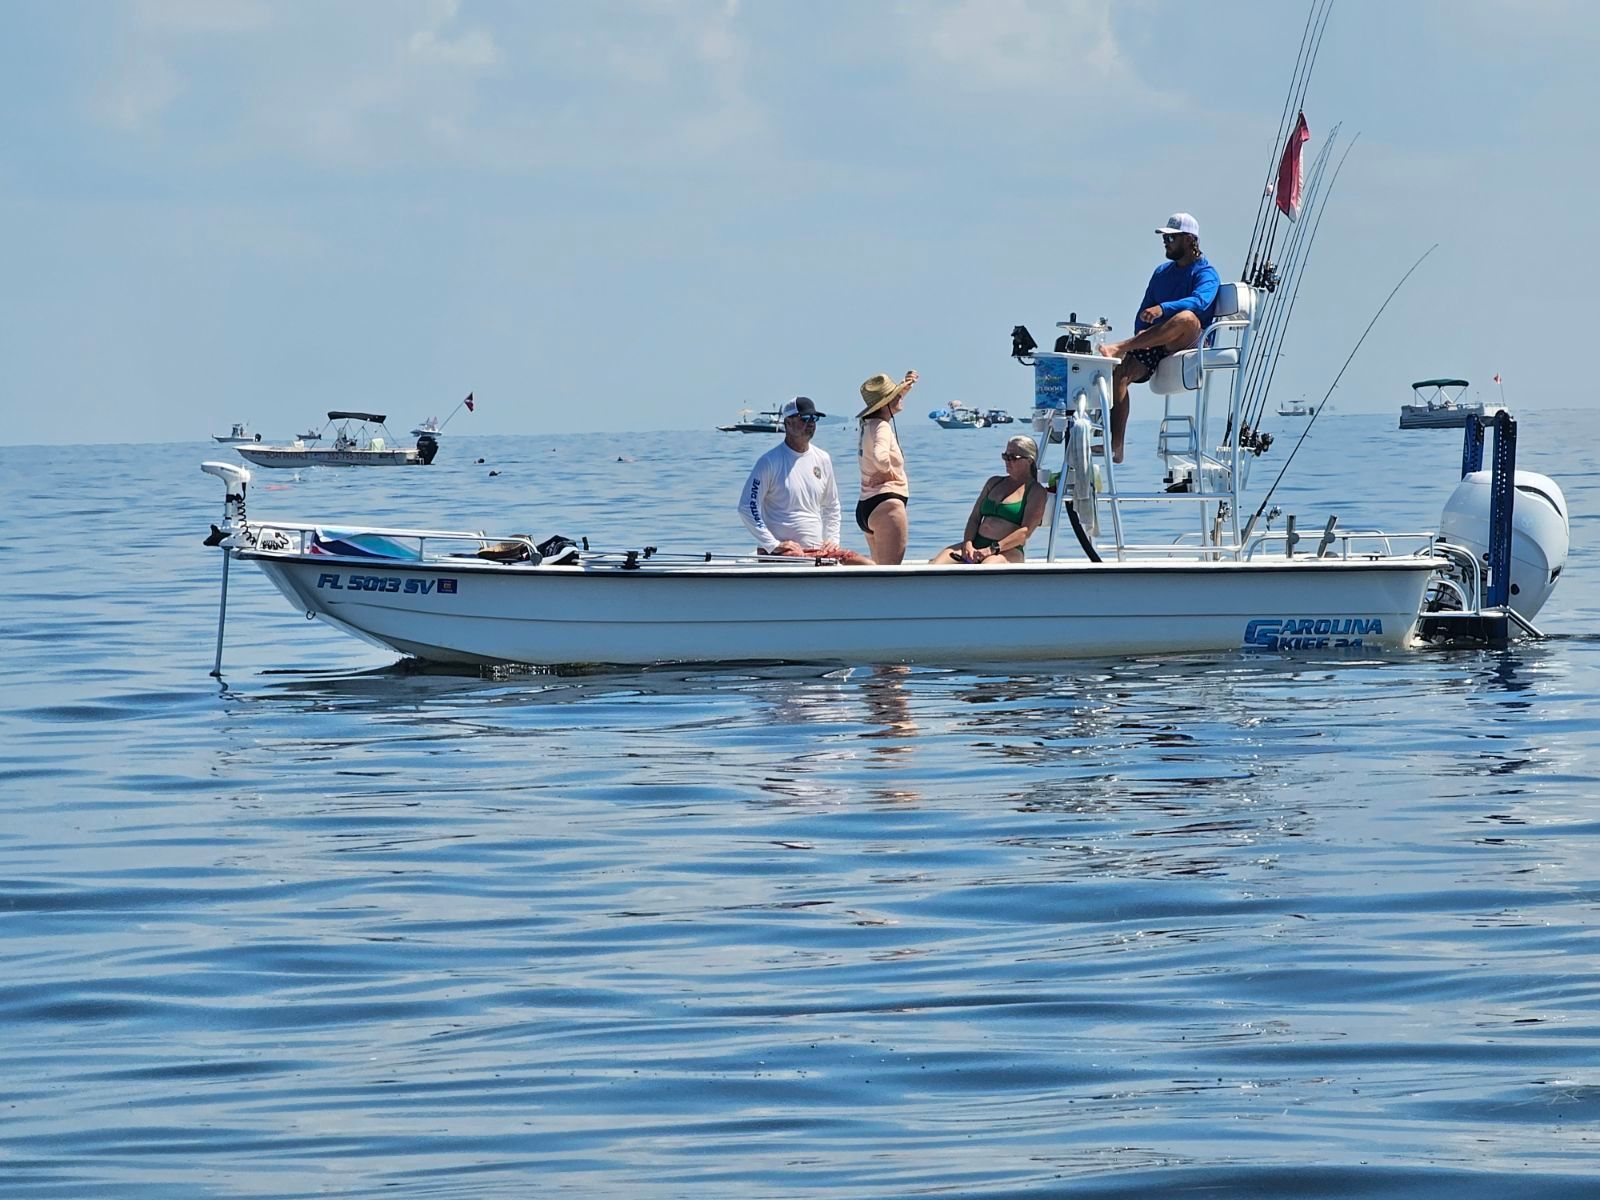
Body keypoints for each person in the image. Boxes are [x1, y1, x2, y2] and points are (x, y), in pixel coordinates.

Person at [1097, 212, 1220, 463]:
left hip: (1191, 340)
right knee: (1120, 374)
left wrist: (1164, 309)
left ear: (1188, 240)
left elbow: (1201, 302)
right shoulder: (1161, 272)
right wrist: (1142, 331)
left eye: (1171, 238)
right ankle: (1116, 447)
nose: (1166, 243)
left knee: (1186, 317)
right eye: (1165, 238)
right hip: (1158, 340)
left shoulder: (1207, 273)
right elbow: (1144, 310)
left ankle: (1119, 346)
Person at [737, 396, 871, 564]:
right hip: (780, 554)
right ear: (788, 423)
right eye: (804, 418)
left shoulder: (823, 459)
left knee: (861, 562)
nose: (811, 423)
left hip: (817, 552)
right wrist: (773, 545)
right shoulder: (769, 462)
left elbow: (832, 506)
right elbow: (747, 507)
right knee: (807, 561)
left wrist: (832, 541)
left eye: (814, 418)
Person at [929, 435, 1049, 565]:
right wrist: (968, 544)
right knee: (937, 564)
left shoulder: (1036, 491)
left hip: (1007, 551)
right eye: (1005, 456)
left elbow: (1024, 533)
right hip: (976, 545)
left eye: (1013, 458)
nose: (1007, 461)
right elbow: (974, 518)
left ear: (1029, 461)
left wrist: (992, 549)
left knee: (987, 566)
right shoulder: (993, 483)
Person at [855, 369, 918, 565]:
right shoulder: (882, 427)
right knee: (889, 575)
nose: (901, 397)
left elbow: (892, 400)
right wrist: (890, 473)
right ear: (887, 403)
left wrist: (908, 384)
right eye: (896, 395)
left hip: (868, 505)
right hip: (888, 506)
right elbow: (880, 457)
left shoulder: (868, 424)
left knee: (878, 574)